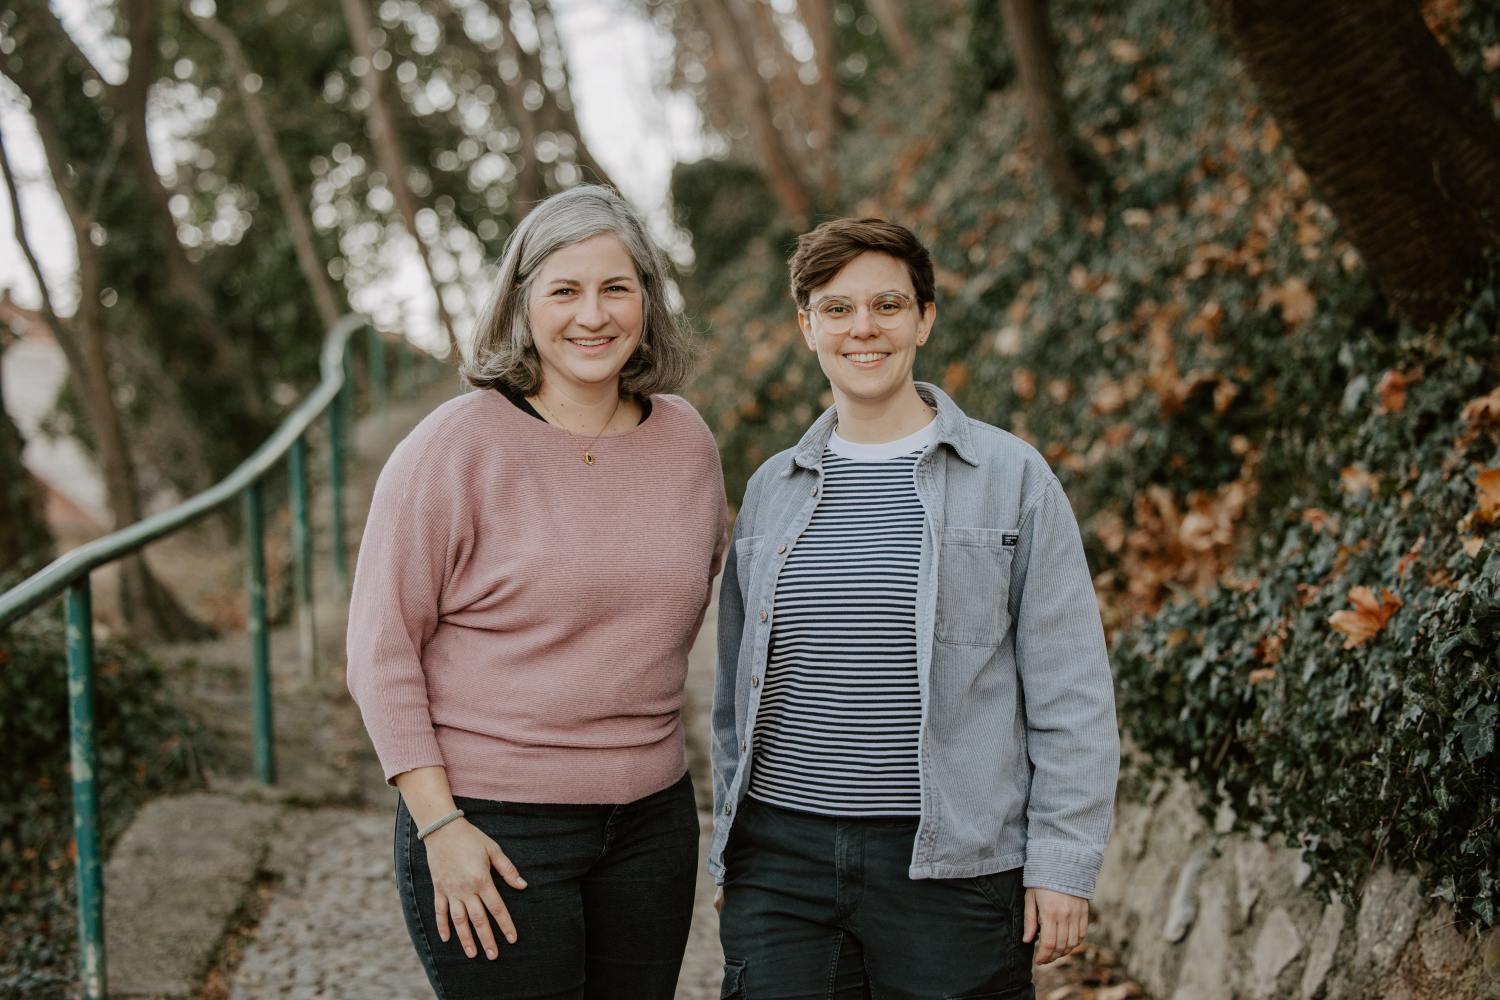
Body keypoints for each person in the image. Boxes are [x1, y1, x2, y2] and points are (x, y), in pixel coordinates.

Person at [710, 217, 1119, 999]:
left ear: (924, 319)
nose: (863, 328)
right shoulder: (770, 490)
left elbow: (1071, 685)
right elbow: (736, 693)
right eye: (837, 309)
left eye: (888, 306)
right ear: (807, 327)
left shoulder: (1011, 476)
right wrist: (735, 854)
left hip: (954, 867)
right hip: (782, 864)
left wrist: (1062, 864)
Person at [347, 185, 727, 999]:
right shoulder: (454, 448)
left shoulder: (687, 442)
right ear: (522, 305)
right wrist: (439, 825)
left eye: (616, 288)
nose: (593, 315)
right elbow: (380, 651)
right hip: (494, 823)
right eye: (564, 290)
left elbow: (716, 589)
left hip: (653, 824)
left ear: (648, 304)